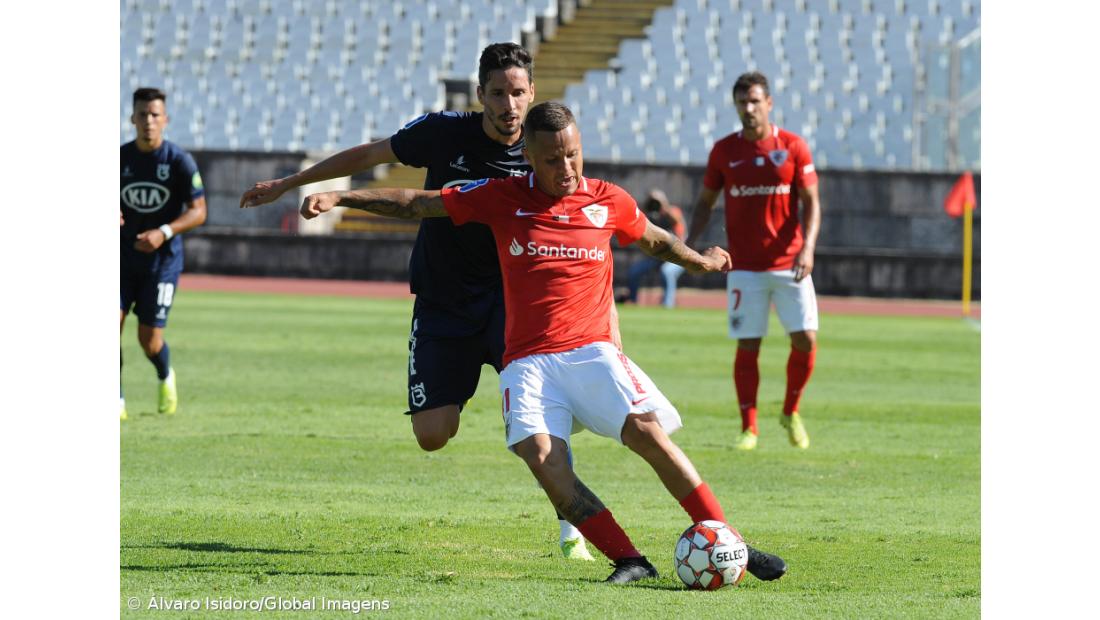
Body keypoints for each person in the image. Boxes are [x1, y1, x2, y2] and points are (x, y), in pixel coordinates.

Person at [290, 101, 789, 585]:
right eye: (552, 158)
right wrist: (342, 197)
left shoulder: (607, 199)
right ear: (528, 156)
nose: (566, 167)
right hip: (527, 361)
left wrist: (699, 261)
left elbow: (655, 239)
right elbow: (421, 203)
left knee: (646, 432)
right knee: (540, 454)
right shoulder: (503, 196)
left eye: (573, 154)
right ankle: (628, 558)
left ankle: (731, 543)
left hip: (592, 350)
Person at [241, 43, 602, 561]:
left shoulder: (545, 153)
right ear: (481, 94)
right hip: (443, 301)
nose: (509, 104)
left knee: (537, 423)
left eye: (518, 92)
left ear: (531, 94)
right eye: (497, 93)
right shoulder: (442, 133)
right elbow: (370, 154)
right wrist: (291, 183)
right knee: (433, 434)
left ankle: (575, 528)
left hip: (512, 304)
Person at [685, 71, 822, 451]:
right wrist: (689, 246)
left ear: (769, 103)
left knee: (806, 340)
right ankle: (750, 428)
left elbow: (812, 203)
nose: (748, 108)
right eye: (742, 102)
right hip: (743, 266)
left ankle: (790, 411)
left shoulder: (793, 147)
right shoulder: (724, 151)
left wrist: (808, 249)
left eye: (755, 101)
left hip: (791, 262)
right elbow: (704, 203)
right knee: (748, 344)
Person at [120, 87, 207, 420]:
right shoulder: (119, 159)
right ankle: (117, 400)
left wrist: (164, 232)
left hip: (162, 263)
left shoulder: (178, 161)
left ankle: (164, 374)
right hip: (120, 260)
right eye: (142, 114)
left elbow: (199, 211)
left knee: (149, 340)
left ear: (165, 120)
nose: (148, 121)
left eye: (155, 115)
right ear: (132, 118)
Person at [624, 189, 686, 307]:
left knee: (666, 272)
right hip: (658, 257)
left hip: (678, 257)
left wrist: (664, 206)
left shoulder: (673, 211)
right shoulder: (652, 215)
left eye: (657, 202)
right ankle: (632, 300)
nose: (655, 205)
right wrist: (648, 205)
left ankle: (667, 305)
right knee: (634, 271)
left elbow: (677, 224)